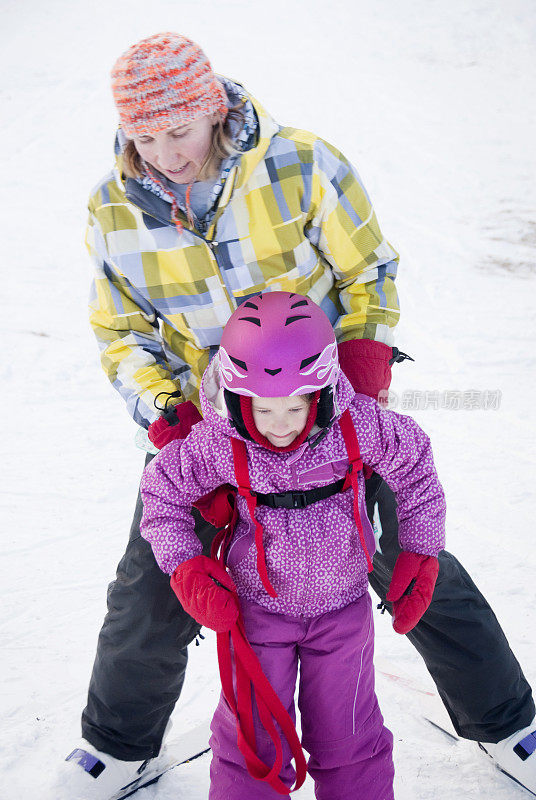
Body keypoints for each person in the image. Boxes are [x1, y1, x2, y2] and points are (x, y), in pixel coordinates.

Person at [54, 31, 536, 799]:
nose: (164, 153)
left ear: (211, 110)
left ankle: (508, 721)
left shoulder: (302, 163)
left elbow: (368, 267)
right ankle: (115, 746)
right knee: (152, 584)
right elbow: (120, 330)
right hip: (201, 430)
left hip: (322, 417)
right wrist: (168, 417)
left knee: (409, 552)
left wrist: (363, 366)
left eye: (178, 131)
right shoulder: (114, 208)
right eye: (144, 136)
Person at [138, 290, 446, 799]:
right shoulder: (220, 442)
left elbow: (415, 466)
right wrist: (185, 567)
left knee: (350, 738)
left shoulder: (356, 425)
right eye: (263, 409)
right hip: (256, 615)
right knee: (251, 745)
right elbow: (162, 495)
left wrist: (420, 546)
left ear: (321, 391)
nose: (279, 425)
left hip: (342, 613)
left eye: (296, 406)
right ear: (239, 398)